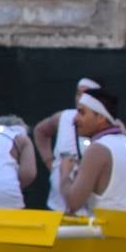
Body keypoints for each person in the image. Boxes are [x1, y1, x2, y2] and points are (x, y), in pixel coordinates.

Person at [59, 86, 126, 216]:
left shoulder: (97, 150)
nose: (75, 119)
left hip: (114, 232)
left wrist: (65, 173)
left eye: (82, 112)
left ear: (101, 118)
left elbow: (73, 202)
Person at [33, 76, 106, 213]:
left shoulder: (111, 128)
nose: (80, 99)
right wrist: (52, 164)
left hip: (91, 214)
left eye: (86, 94)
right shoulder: (64, 117)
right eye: (78, 94)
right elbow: (39, 131)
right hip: (57, 207)